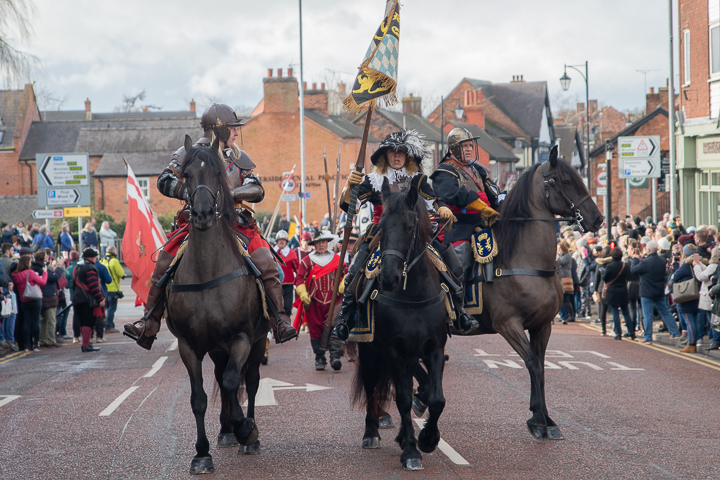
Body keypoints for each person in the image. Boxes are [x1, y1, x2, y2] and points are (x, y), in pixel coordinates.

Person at [124, 103, 297, 349]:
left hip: (235, 223)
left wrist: (230, 194)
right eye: (232, 128)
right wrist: (194, 193)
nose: (236, 133)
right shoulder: (188, 152)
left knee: (267, 262)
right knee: (164, 262)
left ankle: (279, 319)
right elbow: (164, 181)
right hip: (195, 221)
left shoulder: (238, 156)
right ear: (219, 129)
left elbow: (257, 189)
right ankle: (149, 322)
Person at [330, 129, 467, 341]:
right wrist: (350, 186)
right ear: (385, 155)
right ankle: (345, 321)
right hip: (380, 233)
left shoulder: (417, 179)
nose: (396, 156)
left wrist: (442, 208)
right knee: (355, 272)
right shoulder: (373, 179)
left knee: (449, 264)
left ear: (408, 156)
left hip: (412, 235)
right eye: (392, 152)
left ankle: (460, 312)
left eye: (401, 152)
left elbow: (433, 198)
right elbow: (349, 206)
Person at [428, 127, 507, 333]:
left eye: (471, 145)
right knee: (460, 256)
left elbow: (492, 195)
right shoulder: (444, 171)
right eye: (465, 146)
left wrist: (502, 202)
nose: (470, 149)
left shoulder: (477, 170)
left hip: (485, 223)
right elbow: (452, 194)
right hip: (458, 225)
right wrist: (478, 204)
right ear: (454, 148)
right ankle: (457, 309)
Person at [294, 231, 344, 370]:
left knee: (335, 327)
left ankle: (335, 356)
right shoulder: (307, 261)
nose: (321, 244)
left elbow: (347, 273)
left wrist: (343, 284)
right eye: (318, 242)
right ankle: (320, 357)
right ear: (314, 244)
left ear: (327, 243)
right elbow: (299, 279)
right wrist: (303, 292)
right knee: (315, 330)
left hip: (334, 301)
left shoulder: (337, 259)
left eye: (323, 242)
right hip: (314, 302)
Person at [631, 240, 681, 344]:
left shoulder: (644, 262)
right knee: (665, 312)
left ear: (648, 250)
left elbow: (634, 270)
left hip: (646, 292)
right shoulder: (661, 260)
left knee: (647, 315)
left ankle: (648, 338)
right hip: (659, 291)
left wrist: (635, 259)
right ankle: (675, 333)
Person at [11, 253, 48, 352]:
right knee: (36, 321)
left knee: (26, 322)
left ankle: (26, 345)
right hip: (35, 299)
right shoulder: (30, 273)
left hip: (24, 299)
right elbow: (43, 282)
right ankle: (36, 344)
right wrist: (45, 273)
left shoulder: (15, 274)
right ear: (27, 263)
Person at [671, 244, 702, 353]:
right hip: (696, 294)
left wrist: (675, 265)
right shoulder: (698, 261)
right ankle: (695, 341)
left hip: (686, 295)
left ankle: (691, 343)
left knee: (689, 321)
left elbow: (675, 276)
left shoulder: (686, 265)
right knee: (695, 320)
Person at [73, 248, 104, 352]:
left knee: (82, 322)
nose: (96, 259)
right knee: (88, 322)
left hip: (78, 298)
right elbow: (94, 286)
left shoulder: (78, 266)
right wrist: (100, 299)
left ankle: (86, 343)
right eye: (95, 257)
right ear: (91, 257)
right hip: (87, 300)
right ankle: (86, 345)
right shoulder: (90, 268)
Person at [602, 247, 634, 340]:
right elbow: (628, 277)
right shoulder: (625, 266)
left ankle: (618, 334)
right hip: (623, 290)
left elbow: (605, 278)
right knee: (626, 313)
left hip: (612, 291)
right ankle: (631, 332)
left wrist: (603, 273)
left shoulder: (609, 266)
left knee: (615, 313)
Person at [36, 251, 63, 348]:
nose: (48, 258)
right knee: (51, 320)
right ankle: (51, 339)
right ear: (43, 258)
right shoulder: (43, 268)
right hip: (49, 296)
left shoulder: (35, 267)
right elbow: (54, 277)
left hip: (40, 296)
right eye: (46, 256)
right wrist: (59, 268)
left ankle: (43, 339)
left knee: (43, 320)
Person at [693, 246, 718, 349]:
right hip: (708, 295)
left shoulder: (714, 265)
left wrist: (696, 266)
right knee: (711, 320)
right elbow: (707, 272)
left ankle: (714, 340)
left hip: (708, 296)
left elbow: (701, 276)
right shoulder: (713, 266)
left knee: (711, 320)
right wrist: (698, 262)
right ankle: (713, 340)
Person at [100, 245, 125, 334]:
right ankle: (108, 326)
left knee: (106, 308)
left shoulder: (102, 261)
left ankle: (106, 324)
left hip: (103, 289)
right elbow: (121, 273)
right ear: (114, 252)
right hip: (113, 288)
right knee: (111, 309)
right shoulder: (114, 261)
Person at [274, 230, 298, 315]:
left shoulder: (291, 253)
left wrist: (299, 281)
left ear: (286, 242)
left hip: (288, 283)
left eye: (283, 240)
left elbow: (297, 269)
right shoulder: (272, 252)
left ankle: (287, 323)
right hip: (275, 283)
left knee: (287, 306)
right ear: (277, 241)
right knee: (276, 305)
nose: (281, 242)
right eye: (279, 240)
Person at [594, 247, 612, 335]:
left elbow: (596, 278)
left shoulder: (599, 264)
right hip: (612, 287)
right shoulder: (612, 263)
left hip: (602, 288)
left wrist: (595, 290)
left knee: (603, 309)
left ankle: (603, 329)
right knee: (614, 309)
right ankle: (616, 330)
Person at [65, 251, 82, 343]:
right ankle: (88, 337)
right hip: (83, 294)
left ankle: (76, 336)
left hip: (74, 295)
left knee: (76, 316)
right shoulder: (81, 267)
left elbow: (66, 285)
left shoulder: (68, 269)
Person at [557, 241, 575, 324]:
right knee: (563, 299)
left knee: (566, 299)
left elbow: (560, 262)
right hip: (562, 278)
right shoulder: (561, 255)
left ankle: (571, 315)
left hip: (566, 278)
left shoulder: (567, 256)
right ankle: (566, 315)